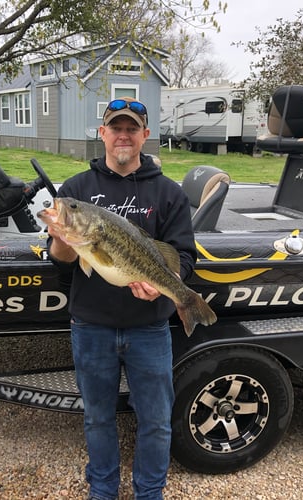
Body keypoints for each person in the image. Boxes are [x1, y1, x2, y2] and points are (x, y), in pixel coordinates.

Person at [46, 97, 197, 499]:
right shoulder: (76, 190)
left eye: (132, 128)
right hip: (91, 326)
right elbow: (61, 261)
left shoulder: (168, 193)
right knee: (97, 418)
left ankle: (149, 492)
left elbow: (181, 256)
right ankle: (103, 490)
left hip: (149, 328)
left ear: (146, 135)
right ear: (103, 134)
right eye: (116, 128)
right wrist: (63, 239)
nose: (123, 135)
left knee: (157, 421)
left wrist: (169, 284)